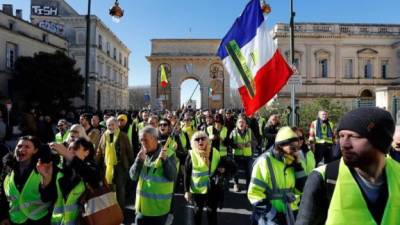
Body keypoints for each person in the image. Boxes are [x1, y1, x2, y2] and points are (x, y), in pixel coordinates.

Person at [296, 107, 399, 225]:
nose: (344, 144)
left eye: (354, 136)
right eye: (341, 136)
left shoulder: (398, 173)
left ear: (380, 141)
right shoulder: (324, 178)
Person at [248, 127, 307, 225]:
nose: (296, 150)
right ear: (281, 145)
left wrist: (298, 166)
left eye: (297, 147)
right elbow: (255, 194)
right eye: (292, 147)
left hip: (290, 213)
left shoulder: (293, 160)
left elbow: (302, 189)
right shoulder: (264, 161)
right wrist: (273, 214)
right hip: (269, 217)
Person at [40, 138, 102, 225]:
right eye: (69, 148)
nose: (70, 151)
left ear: (86, 152)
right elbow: (47, 198)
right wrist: (45, 179)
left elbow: (92, 177)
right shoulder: (61, 171)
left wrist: (66, 153)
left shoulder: (91, 168)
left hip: (84, 221)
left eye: (75, 148)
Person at [129, 126, 178, 225]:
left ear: (155, 139)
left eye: (146, 140)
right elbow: (133, 176)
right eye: (141, 140)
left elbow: (172, 176)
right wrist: (138, 161)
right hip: (141, 208)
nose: (143, 143)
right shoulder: (142, 154)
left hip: (158, 210)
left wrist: (165, 161)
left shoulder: (169, 154)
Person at [0, 136, 53, 225]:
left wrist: (46, 180)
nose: (21, 149)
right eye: (19, 146)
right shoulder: (7, 168)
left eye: (27, 147)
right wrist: (3, 216)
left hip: (38, 221)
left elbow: (49, 197)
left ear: (35, 150)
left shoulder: (43, 168)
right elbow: (2, 195)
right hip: (14, 220)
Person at [184, 131, 225, 225]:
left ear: (207, 140)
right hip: (198, 190)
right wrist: (186, 191)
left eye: (203, 138)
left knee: (212, 213)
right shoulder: (191, 154)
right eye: (197, 139)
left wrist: (223, 169)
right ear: (193, 142)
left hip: (212, 189)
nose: (200, 141)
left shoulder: (215, 152)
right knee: (197, 213)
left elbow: (220, 166)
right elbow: (187, 173)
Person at [96, 117, 133, 210]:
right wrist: (96, 163)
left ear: (117, 125)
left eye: (112, 124)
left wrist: (131, 165)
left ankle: (121, 210)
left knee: (120, 189)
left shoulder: (123, 135)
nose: (110, 127)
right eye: (108, 125)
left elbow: (129, 151)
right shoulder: (104, 136)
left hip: (120, 166)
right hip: (107, 167)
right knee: (109, 189)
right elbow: (99, 151)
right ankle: (112, 210)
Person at [230, 116, 254, 192]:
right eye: (239, 122)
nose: (241, 124)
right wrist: (236, 145)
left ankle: (248, 187)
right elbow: (229, 143)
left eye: (243, 122)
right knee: (235, 171)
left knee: (249, 172)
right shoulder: (233, 132)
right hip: (237, 155)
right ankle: (236, 185)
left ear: (245, 124)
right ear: (237, 124)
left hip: (248, 156)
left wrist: (251, 144)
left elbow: (255, 141)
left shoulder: (250, 131)